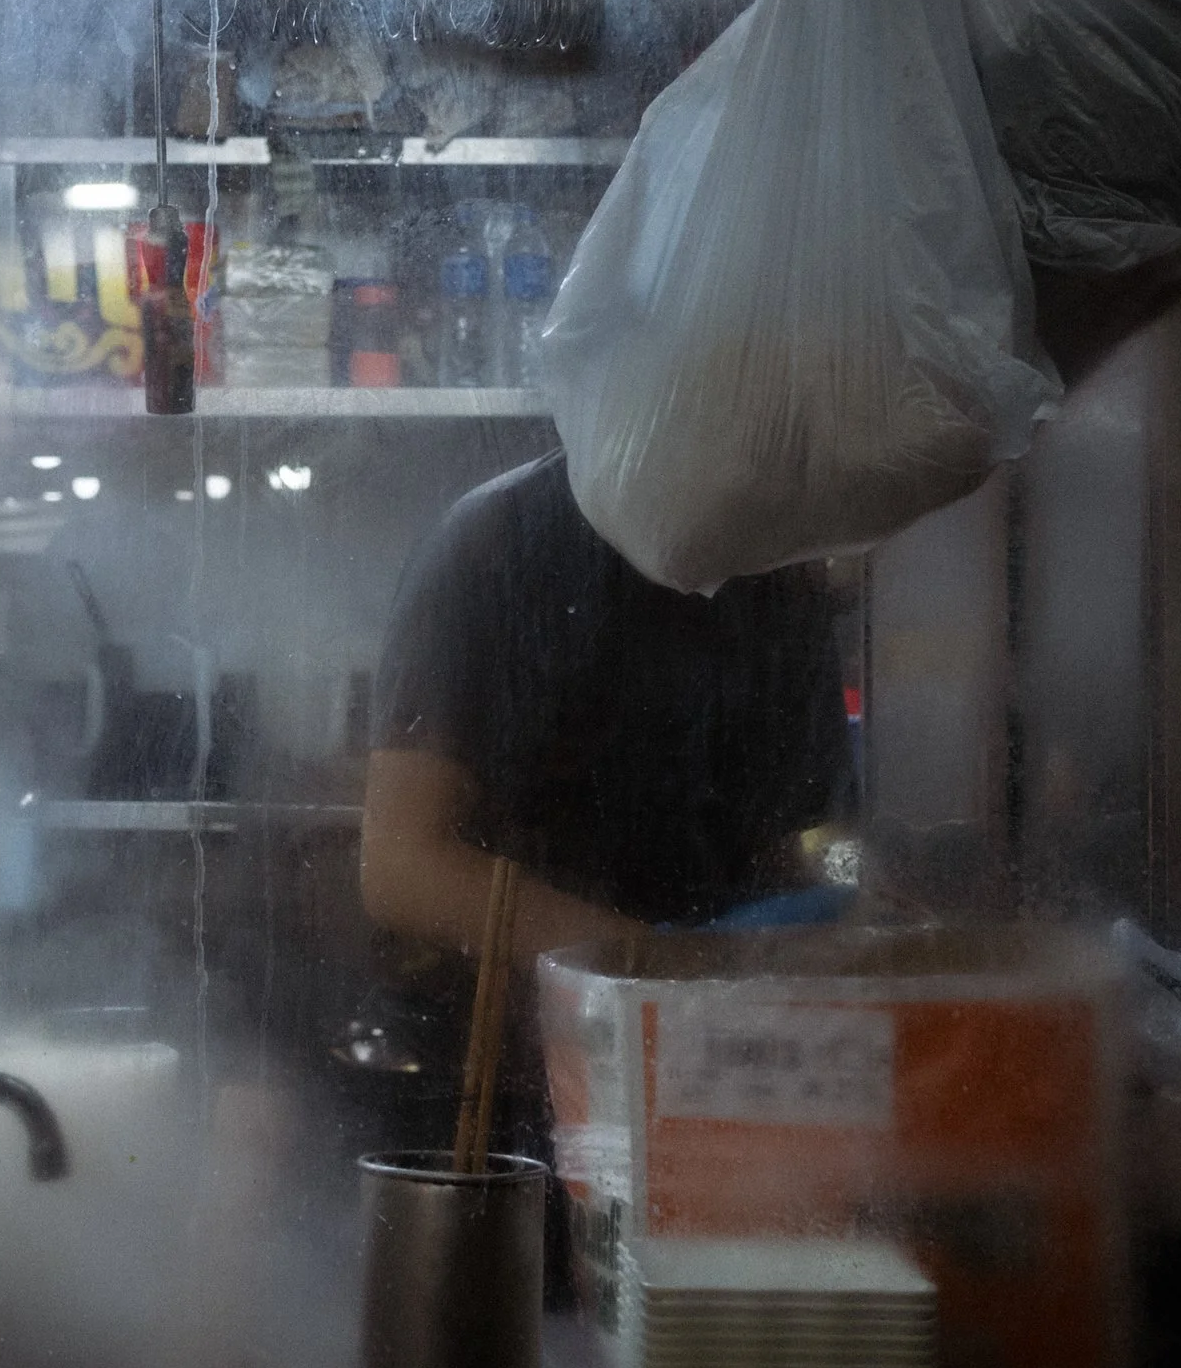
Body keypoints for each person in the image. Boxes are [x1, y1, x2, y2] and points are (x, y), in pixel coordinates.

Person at [358, 447, 851, 1105]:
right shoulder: (503, 540)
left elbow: (775, 853)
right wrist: (663, 971)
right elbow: (402, 867)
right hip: (493, 1075)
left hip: (701, 1069)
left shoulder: (781, 579)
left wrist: (839, 938)